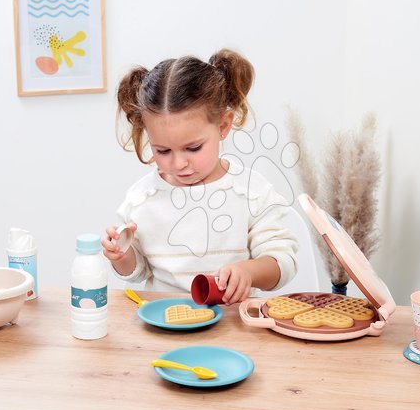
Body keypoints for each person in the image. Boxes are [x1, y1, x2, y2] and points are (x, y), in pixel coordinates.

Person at [101, 49, 298, 305]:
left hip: (234, 324)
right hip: (167, 322)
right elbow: (137, 272)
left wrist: (248, 272)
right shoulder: (142, 199)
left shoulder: (250, 191)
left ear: (224, 125)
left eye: (193, 148)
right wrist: (121, 255)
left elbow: (283, 262)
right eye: (162, 150)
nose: (179, 163)